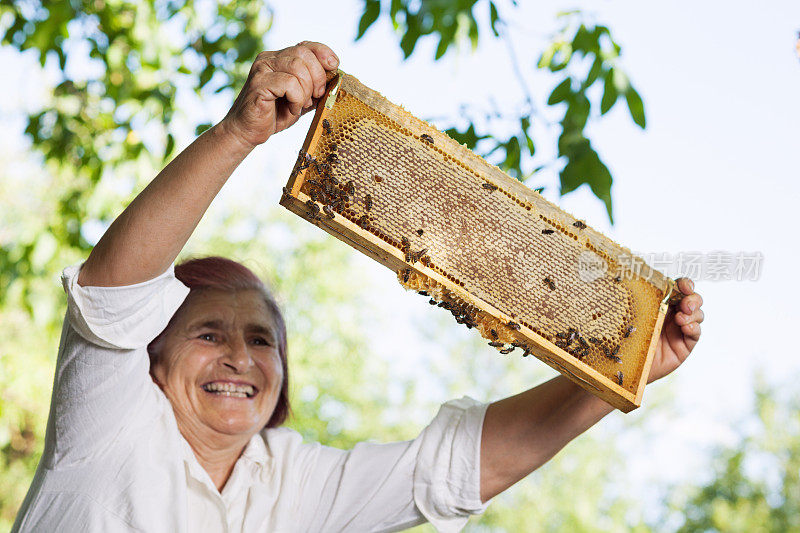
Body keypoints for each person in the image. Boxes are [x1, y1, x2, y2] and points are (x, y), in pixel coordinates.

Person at [11, 41, 704, 533]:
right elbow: (115, 290)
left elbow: (459, 468)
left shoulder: (291, 484)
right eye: (208, 332)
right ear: (151, 359)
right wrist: (236, 133)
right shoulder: (108, 418)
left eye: (261, 339)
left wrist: (628, 365)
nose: (240, 358)